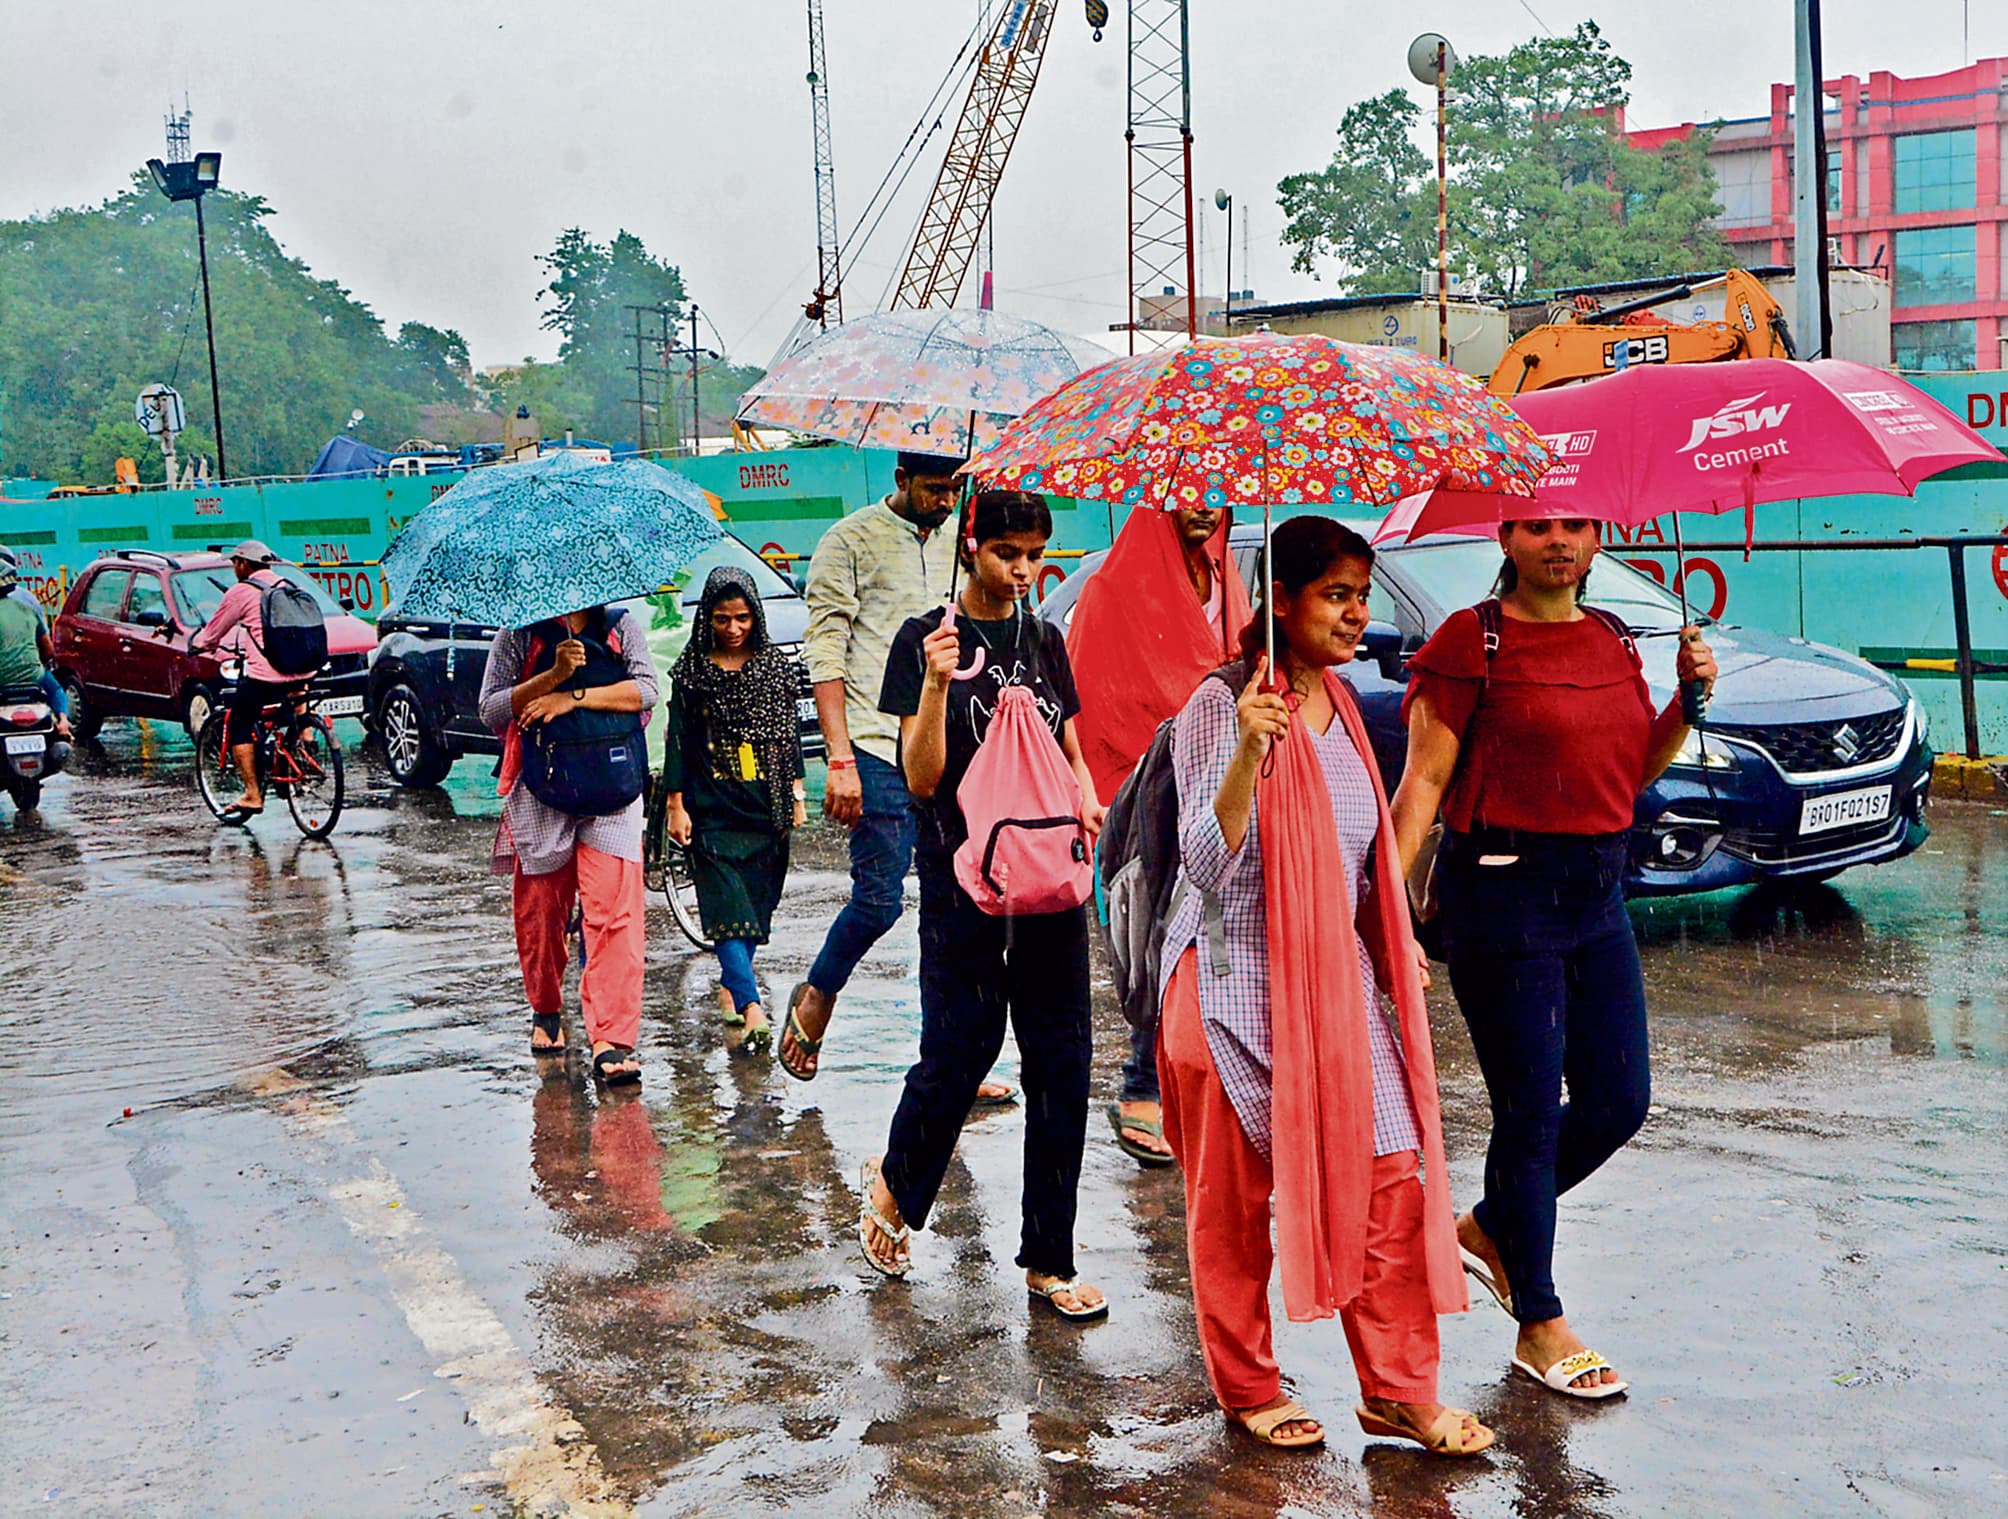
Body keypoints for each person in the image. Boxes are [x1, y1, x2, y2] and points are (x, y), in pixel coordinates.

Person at [1156, 515, 1489, 1455]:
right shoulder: (1220, 704)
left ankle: (1398, 1389)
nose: (1356, 613)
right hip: (1229, 990)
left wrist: (1391, 944)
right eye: (1337, 594)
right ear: (1281, 599)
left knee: (1390, 1181)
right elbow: (1203, 863)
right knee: (1233, 1208)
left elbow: (1361, 856)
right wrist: (1245, 753)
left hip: (1334, 988)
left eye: (1362, 594)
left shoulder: (1341, 704)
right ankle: (1248, 1384)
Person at [1389, 516, 1718, 1401]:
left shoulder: (1611, 636)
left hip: (1598, 895)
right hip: (1504, 894)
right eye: (1538, 525)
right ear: (1507, 536)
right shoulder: (1471, 640)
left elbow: (1628, 773)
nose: (1558, 541)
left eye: (1575, 525)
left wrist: (1685, 706)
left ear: (1598, 536)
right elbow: (1423, 781)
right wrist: (1379, 911)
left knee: (1618, 1098)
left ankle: (1492, 1224)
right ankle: (1539, 1321)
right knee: (1529, 1112)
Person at [857, 489, 1107, 1321]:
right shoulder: (924, 639)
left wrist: (1087, 796)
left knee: (1062, 1059)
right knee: (962, 1047)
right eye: (1007, 553)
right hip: (959, 878)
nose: (1023, 570)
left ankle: (1049, 1258)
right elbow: (921, 776)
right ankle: (898, 1185)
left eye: (1035, 554)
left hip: (1049, 879)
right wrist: (935, 682)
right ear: (972, 545)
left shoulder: (1044, 639)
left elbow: (1069, 745)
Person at [785, 451, 1016, 1109]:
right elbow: (826, 651)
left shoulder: (962, 544)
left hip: (948, 748)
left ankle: (951, 1064)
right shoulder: (849, 541)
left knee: (957, 915)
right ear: (900, 481)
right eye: (933, 489)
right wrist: (838, 758)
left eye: (953, 490)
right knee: (881, 901)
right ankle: (819, 991)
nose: (944, 501)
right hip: (874, 743)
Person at [1066, 503, 1251, 1168]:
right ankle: (1141, 1083)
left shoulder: (1227, 579)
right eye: (1189, 493)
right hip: (1140, 788)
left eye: (1216, 492)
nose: (1204, 505)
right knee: (1158, 935)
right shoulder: (1110, 591)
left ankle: (1187, 1079)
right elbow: (1086, 700)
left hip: (1218, 776)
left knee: (1216, 939)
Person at [479, 599, 659, 1085]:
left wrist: (574, 696)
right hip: (543, 788)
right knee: (542, 913)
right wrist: (551, 676)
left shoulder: (619, 626)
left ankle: (612, 1039)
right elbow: (490, 709)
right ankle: (546, 1006)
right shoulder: (517, 633)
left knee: (615, 915)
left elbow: (647, 691)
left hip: (613, 788)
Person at [661, 566, 808, 1053]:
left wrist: (797, 794)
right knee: (727, 911)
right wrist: (676, 804)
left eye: (742, 618)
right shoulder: (692, 672)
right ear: (707, 617)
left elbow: (788, 738)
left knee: (755, 913)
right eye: (722, 618)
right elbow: (678, 742)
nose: (733, 628)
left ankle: (732, 985)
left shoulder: (773, 669)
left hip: (765, 806)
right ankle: (751, 1007)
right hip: (711, 808)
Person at [187, 540, 292, 822]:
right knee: (292, 709)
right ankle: (305, 739)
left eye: (235, 563)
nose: (234, 568)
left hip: (265, 676)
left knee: (238, 724)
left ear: (244, 564)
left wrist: (197, 645)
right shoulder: (287, 585)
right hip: (303, 671)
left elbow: (212, 634)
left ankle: (252, 794)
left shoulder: (242, 591)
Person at [0, 547, 71, 740]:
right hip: (34, 675)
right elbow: (48, 651)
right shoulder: (27, 606)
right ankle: (63, 723)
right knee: (56, 689)